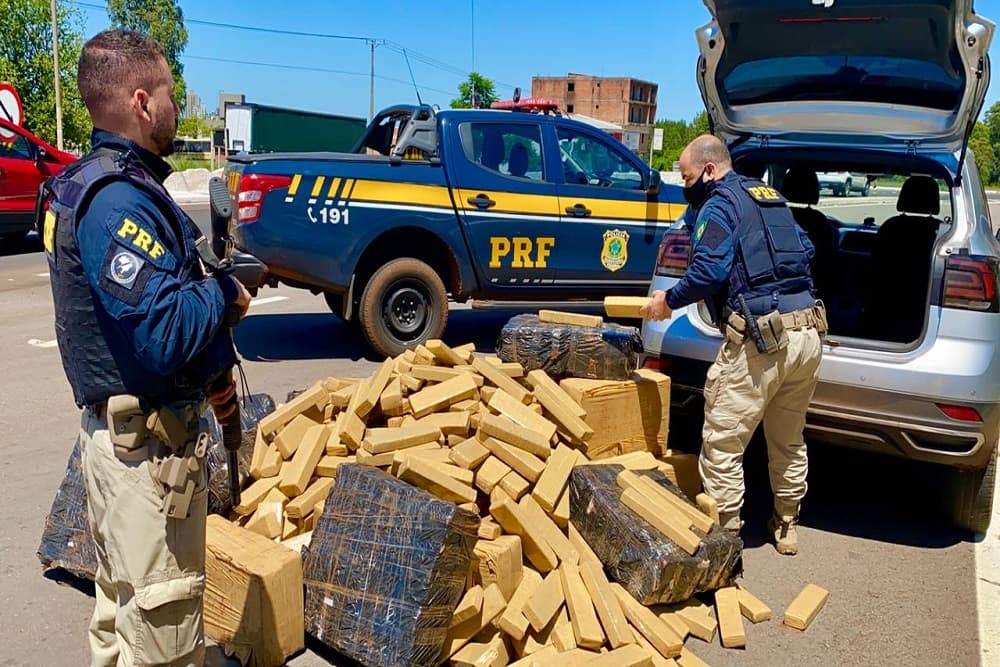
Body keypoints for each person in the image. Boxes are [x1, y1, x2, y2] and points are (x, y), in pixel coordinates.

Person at [40, 30, 251, 665]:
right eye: (168, 94)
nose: (175, 107)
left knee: (122, 612)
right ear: (140, 101)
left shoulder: (90, 184)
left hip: (126, 444)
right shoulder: (115, 202)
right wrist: (228, 294)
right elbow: (162, 332)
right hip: (144, 460)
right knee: (163, 633)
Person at [641, 135, 825, 556]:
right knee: (788, 438)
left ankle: (723, 542)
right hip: (807, 335)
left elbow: (708, 271)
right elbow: (807, 248)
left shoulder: (719, 203)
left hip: (764, 341)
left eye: (686, 177)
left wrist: (665, 301)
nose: (685, 185)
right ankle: (786, 525)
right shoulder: (768, 196)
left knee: (723, 442)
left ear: (709, 170)